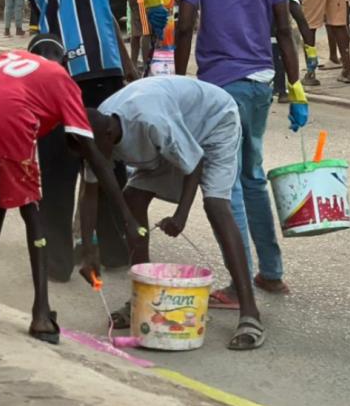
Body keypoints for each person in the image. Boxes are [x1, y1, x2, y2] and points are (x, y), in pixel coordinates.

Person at [0, 36, 142, 344]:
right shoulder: (62, 79)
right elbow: (94, 155)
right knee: (32, 207)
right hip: (9, 120)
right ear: (64, 62)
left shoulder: (6, 59)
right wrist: (127, 218)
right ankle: (41, 314)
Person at [172, 0, 308, 307]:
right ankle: (271, 273)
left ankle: (240, 283)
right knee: (252, 176)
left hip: (219, 88)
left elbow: (184, 26)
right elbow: (283, 30)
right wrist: (298, 88)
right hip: (260, 84)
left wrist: (179, 80)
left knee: (226, 184)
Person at [83, 76, 266, 350]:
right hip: (173, 134)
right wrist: (88, 249)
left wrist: (181, 216)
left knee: (216, 205)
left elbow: (195, 163)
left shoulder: (150, 121)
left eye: (97, 153)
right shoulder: (92, 135)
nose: (95, 159)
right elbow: (90, 193)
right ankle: (140, 299)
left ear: (108, 136)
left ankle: (250, 311)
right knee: (132, 198)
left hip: (213, 122)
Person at [23, 0, 153, 280]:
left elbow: (47, 34)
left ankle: (58, 262)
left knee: (59, 167)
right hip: (101, 72)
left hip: (61, 80)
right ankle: (115, 251)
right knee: (109, 160)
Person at [288, 0, 350, 85]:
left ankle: (310, 73)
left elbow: (290, 4)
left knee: (308, 27)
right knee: (338, 24)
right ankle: (348, 71)